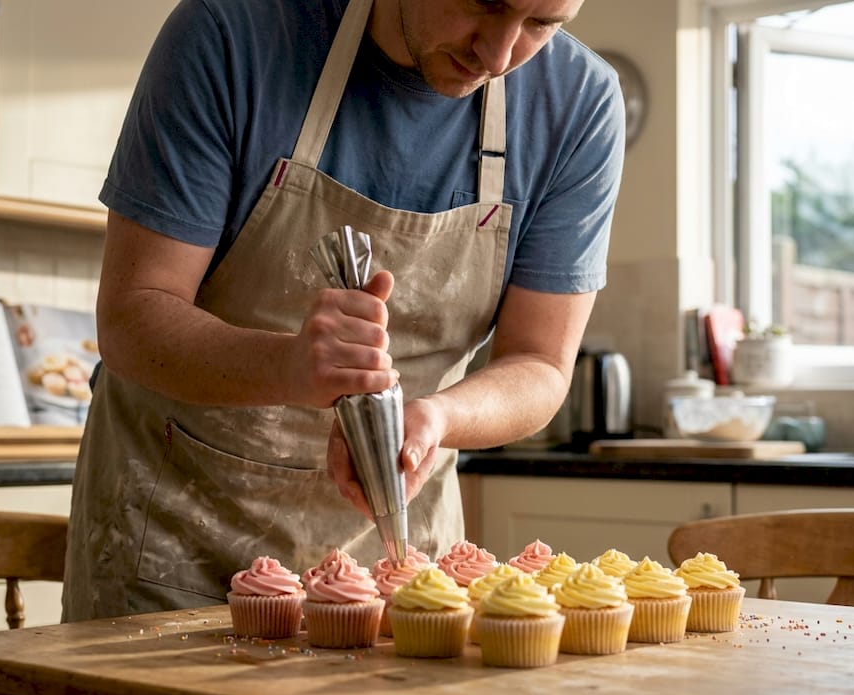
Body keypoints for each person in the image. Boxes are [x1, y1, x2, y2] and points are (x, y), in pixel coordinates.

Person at [62, 0, 624, 621]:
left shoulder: (578, 104)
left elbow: (541, 364)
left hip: (395, 566)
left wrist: (438, 417)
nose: (497, 56)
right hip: (171, 553)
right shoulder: (232, 32)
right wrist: (287, 366)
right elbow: (133, 319)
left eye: (543, 24)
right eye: (484, 3)